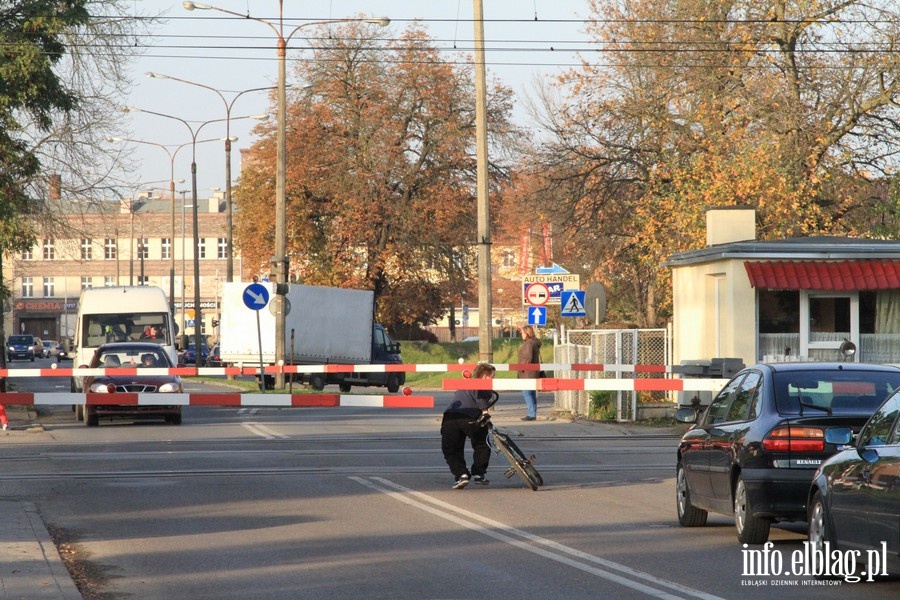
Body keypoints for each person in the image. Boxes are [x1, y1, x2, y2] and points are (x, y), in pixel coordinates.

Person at [440, 362, 497, 489]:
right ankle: (478, 473)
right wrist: (485, 413)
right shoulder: (481, 385)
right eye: (491, 377)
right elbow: (481, 400)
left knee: (451, 449)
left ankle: (462, 475)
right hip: (470, 417)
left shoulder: (464, 385)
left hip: (450, 418)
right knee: (482, 443)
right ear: (483, 376)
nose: (493, 380)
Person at [517, 325, 542, 420]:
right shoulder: (534, 342)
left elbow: (527, 358)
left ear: (527, 333)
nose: (521, 335)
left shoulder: (528, 344)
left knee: (526, 392)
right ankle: (533, 413)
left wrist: (522, 368)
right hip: (533, 372)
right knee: (531, 393)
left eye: (522, 333)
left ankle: (531, 414)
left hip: (527, 373)